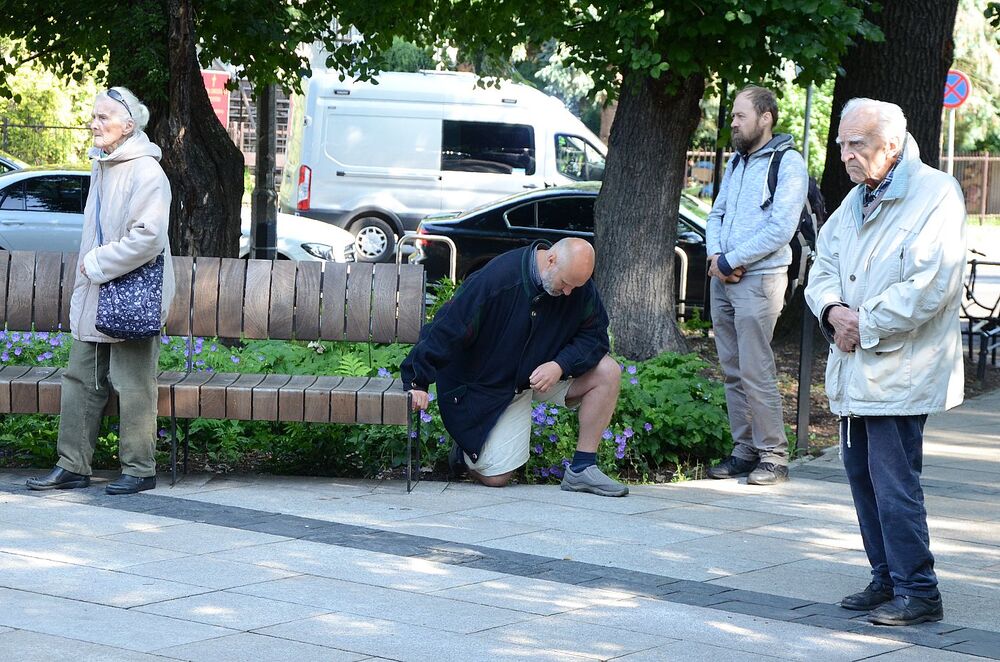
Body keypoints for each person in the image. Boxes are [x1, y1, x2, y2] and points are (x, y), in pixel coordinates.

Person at [805, 98, 966, 626]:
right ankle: (886, 578)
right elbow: (822, 266)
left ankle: (919, 591)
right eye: (843, 144)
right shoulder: (857, 199)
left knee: (894, 481)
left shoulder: (935, 195)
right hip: (855, 366)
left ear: (891, 147)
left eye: (859, 145)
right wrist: (831, 310)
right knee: (861, 476)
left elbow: (931, 287)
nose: (847, 155)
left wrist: (862, 321)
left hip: (900, 367)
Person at [26, 87, 174, 495]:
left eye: (103, 117)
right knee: (81, 377)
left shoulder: (146, 171)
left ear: (128, 125)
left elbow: (148, 238)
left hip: (132, 294)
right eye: (93, 116)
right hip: (97, 292)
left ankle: (140, 469)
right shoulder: (103, 165)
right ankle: (73, 465)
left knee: (132, 381)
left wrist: (96, 265)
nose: (94, 123)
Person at [401, 238, 627, 497]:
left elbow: (595, 337)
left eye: (576, 286)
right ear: (551, 260)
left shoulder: (578, 287)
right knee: (497, 478)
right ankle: (462, 456)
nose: (568, 293)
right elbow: (449, 326)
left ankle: (582, 468)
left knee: (608, 372)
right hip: (486, 384)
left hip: (542, 375)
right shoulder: (498, 278)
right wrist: (418, 380)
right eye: (565, 284)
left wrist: (560, 365)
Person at [704, 85, 808, 485]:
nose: (733, 121)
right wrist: (717, 260)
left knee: (756, 369)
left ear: (765, 118)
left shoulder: (788, 163)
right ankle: (744, 450)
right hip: (724, 277)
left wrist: (733, 259)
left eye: (740, 115)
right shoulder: (737, 162)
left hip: (759, 280)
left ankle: (774, 456)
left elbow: (781, 227)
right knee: (732, 369)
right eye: (732, 115)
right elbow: (717, 215)